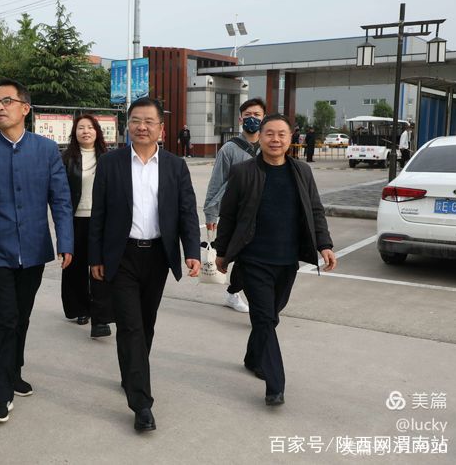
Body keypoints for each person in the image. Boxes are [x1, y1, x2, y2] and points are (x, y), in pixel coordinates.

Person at [0, 78, 74, 424]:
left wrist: (66, 242)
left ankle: (14, 371)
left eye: (7, 101)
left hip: (34, 250)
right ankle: (0, 394)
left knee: (21, 317)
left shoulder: (46, 150)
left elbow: (60, 200)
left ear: (25, 108)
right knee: (3, 319)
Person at [89, 97, 201, 432]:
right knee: (130, 326)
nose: (142, 127)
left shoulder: (175, 166)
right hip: (121, 255)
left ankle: (131, 373)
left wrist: (191, 251)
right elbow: (98, 214)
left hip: (157, 255)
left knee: (146, 324)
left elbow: (187, 211)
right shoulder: (110, 163)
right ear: (128, 125)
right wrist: (95, 257)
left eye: (149, 121)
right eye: (136, 120)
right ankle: (141, 404)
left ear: (161, 129)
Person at [214, 113, 336, 407]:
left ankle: (253, 356)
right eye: (269, 133)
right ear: (260, 137)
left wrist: (325, 245)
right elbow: (228, 214)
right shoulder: (243, 172)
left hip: (287, 261)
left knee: (271, 315)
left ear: (291, 138)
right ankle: (275, 384)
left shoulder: (301, 171)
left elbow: (315, 210)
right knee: (264, 318)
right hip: (253, 259)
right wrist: (222, 252)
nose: (275, 139)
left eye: (282, 134)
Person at [203, 97, 266, 314]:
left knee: (252, 258)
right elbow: (216, 182)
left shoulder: (269, 146)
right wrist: (210, 214)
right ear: (240, 119)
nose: (252, 119)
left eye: (257, 115)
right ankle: (235, 293)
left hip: (263, 212)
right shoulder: (229, 149)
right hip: (236, 213)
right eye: (248, 115)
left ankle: (233, 292)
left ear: (264, 118)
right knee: (241, 256)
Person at [61, 114, 113, 337]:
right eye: (81, 128)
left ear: (97, 131)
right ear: (75, 133)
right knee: (76, 267)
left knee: (100, 266)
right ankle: (80, 308)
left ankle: (100, 315)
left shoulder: (108, 158)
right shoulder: (66, 158)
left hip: (101, 220)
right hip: (76, 219)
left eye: (90, 127)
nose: (86, 131)